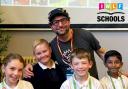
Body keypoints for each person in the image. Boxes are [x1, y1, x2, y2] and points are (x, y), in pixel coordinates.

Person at [24, 8, 106, 79]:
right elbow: (44, 60)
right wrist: (30, 65)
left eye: (63, 20)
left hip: (91, 83)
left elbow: (102, 53)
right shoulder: (52, 46)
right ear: (51, 26)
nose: (60, 25)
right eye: (56, 22)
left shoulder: (85, 35)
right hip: (69, 85)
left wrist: (114, 69)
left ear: (69, 21)